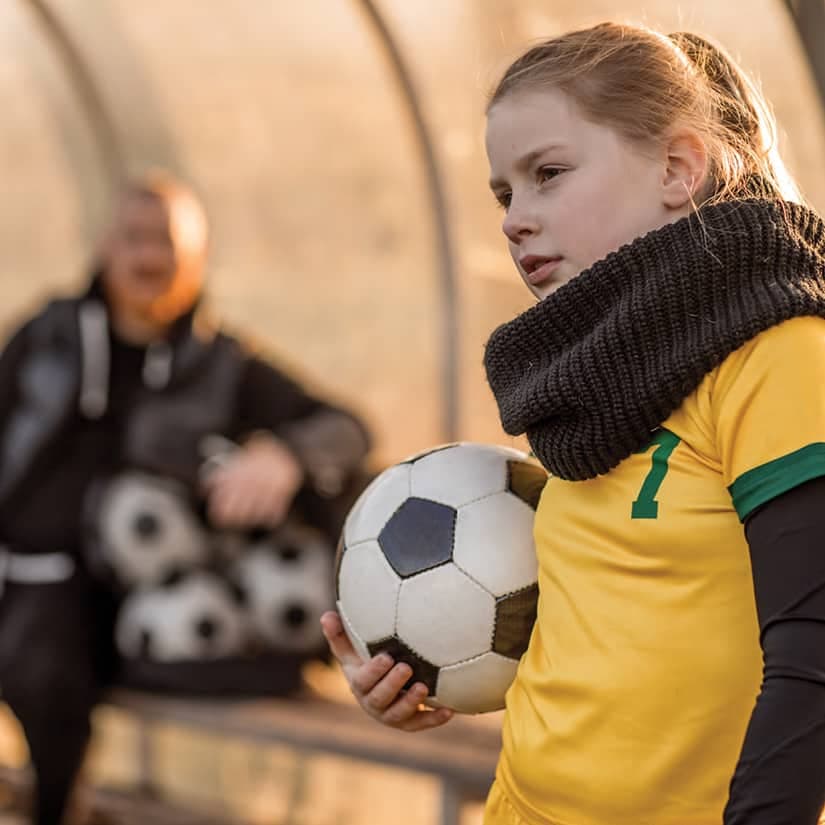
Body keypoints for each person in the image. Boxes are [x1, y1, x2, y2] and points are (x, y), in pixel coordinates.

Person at [321, 21, 825, 825]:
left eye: (546, 173)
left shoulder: (781, 355)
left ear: (677, 167)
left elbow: (812, 652)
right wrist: (429, 672)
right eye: (502, 193)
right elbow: (613, 638)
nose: (514, 218)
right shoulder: (592, 375)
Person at [0, 170, 371, 825]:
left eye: (166, 242)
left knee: (44, 672)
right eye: (133, 238)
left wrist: (282, 454)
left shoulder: (225, 361)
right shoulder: (46, 335)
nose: (148, 256)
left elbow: (345, 425)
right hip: (16, 562)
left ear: (197, 257)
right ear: (103, 246)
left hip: (121, 591)